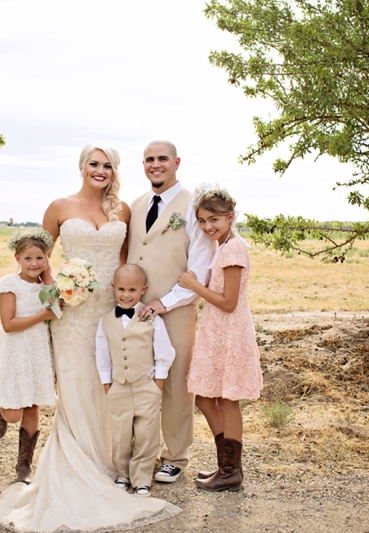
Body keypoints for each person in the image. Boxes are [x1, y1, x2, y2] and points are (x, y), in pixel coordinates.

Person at [0, 143, 180, 532]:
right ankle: (77, 465)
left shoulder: (122, 210)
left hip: (112, 310)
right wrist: (56, 290)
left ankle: (113, 463)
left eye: (107, 165)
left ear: (114, 170)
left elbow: (126, 260)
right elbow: (39, 256)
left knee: (107, 384)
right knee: (77, 386)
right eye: (94, 164)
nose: (100, 170)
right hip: (73, 315)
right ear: (81, 167)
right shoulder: (59, 207)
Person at [129, 140, 215, 484]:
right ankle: (141, 451)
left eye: (162, 158)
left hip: (176, 308)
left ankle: (176, 456)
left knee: (177, 382)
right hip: (137, 310)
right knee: (138, 378)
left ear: (176, 162)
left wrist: (167, 301)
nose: (155, 164)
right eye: (149, 159)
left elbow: (201, 264)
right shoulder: (137, 205)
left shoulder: (193, 205)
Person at [177, 184, 263, 492]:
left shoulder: (235, 249)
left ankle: (230, 471)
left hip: (230, 331)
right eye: (202, 220)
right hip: (217, 330)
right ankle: (227, 466)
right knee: (204, 396)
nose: (207, 226)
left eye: (214, 219)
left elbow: (229, 301)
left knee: (227, 400)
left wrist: (193, 285)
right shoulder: (223, 247)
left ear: (229, 217)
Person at [95, 264, 176, 497]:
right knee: (120, 434)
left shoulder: (151, 318)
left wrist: (158, 383)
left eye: (132, 290)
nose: (126, 295)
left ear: (143, 290)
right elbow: (102, 354)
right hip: (118, 384)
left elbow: (164, 350)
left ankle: (142, 478)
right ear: (113, 288)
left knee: (146, 433)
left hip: (146, 384)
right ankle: (123, 475)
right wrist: (107, 383)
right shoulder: (106, 321)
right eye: (121, 289)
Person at [0, 227, 58, 484]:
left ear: (47, 259)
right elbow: (9, 324)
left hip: (39, 351)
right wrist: (43, 315)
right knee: (15, 413)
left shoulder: (47, 287)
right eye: (28, 258)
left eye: (40, 258)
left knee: (32, 406)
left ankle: (24, 466)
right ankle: (2, 409)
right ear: (17, 258)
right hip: (17, 350)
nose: (34, 263)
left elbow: (57, 309)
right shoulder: (10, 284)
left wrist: (50, 279)